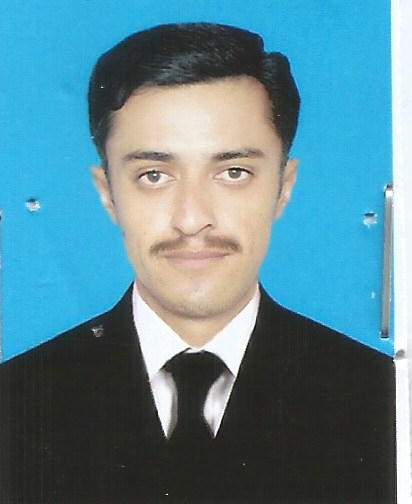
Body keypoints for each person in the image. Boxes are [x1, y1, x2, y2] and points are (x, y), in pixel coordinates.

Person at [0, 23, 395, 503]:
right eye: (153, 175)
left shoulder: (386, 401)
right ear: (107, 193)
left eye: (234, 172)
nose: (191, 220)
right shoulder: (16, 403)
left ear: (283, 187)